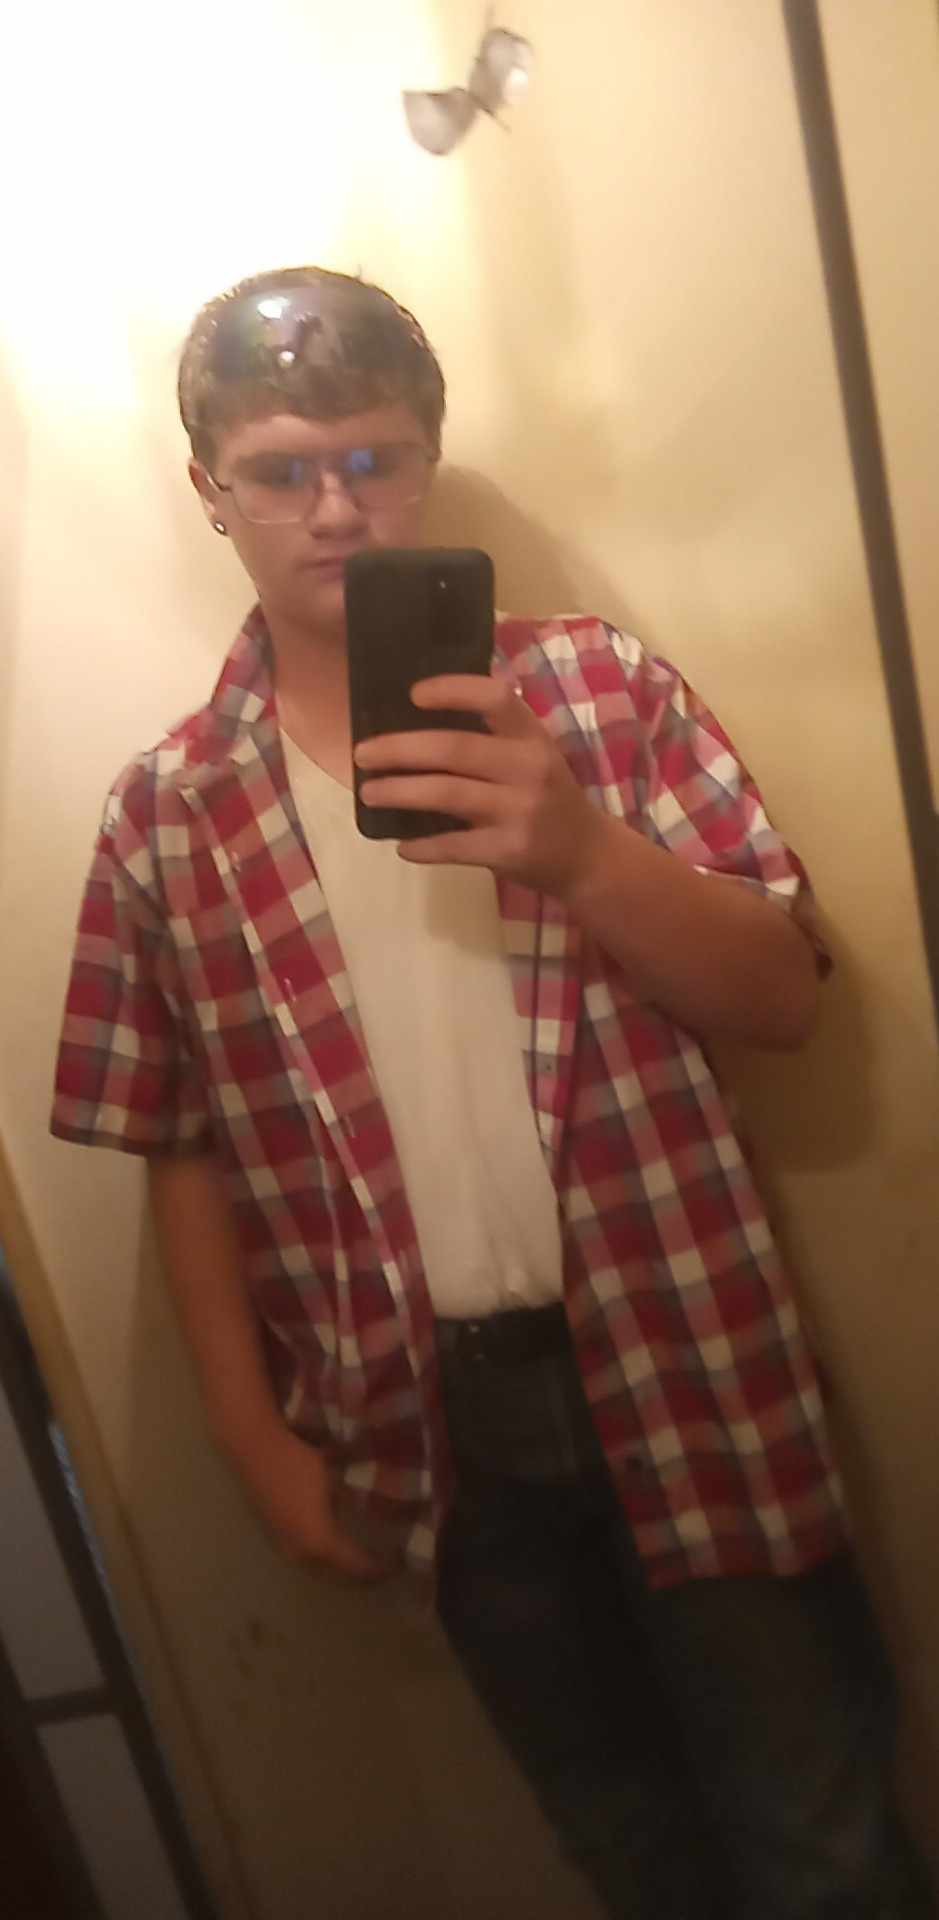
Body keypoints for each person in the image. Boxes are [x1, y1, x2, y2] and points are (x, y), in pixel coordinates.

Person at [50, 266, 931, 1918]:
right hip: (426, 1428)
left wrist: (581, 848)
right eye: (284, 472)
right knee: (630, 1857)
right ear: (210, 490)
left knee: (825, 1846)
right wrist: (252, 1439)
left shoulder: (601, 692)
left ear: (429, 460)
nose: (337, 509)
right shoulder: (164, 813)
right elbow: (180, 1148)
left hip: (690, 1347)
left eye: (374, 460)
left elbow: (783, 1001)